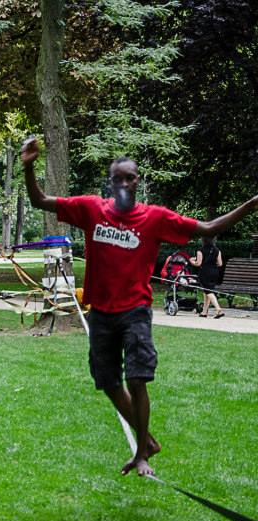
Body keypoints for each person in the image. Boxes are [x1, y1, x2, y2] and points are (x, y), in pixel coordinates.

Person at [21, 136, 258, 477]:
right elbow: (40, 200)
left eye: (129, 177)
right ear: (110, 181)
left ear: (137, 181)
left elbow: (208, 228)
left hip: (135, 310)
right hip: (101, 311)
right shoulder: (91, 209)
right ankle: (148, 442)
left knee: (137, 377)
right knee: (106, 380)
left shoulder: (155, 218)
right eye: (117, 177)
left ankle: (142, 453)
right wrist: (29, 166)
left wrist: (249, 205)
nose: (123, 182)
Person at [190, 235, 224, 318]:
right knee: (207, 291)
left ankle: (218, 309)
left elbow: (198, 263)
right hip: (215, 272)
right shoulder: (217, 250)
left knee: (208, 291)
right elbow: (220, 263)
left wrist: (191, 261)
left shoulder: (200, 250)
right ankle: (204, 312)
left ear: (203, 240)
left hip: (205, 272)